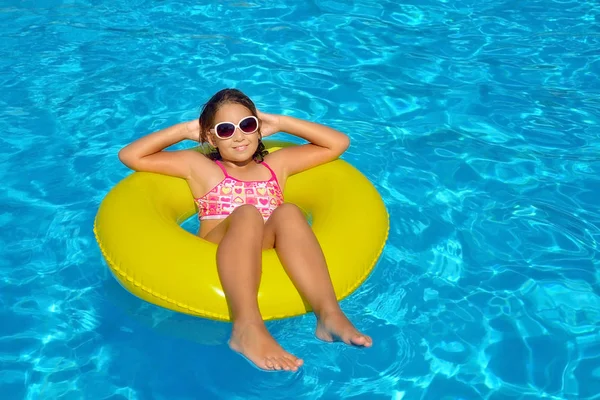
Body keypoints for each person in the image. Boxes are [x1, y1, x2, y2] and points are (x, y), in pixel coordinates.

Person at [118, 88, 372, 372]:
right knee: (248, 213)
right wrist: (187, 130)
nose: (239, 136)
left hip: (261, 246)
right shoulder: (199, 167)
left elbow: (338, 143)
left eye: (248, 125)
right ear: (211, 137)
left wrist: (282, 123)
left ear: (259, 129)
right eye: (225, 130)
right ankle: (246, 327)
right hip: (215, 249)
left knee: (288, 212)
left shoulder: (277, 165)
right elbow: (130, 155)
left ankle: (328, 315)